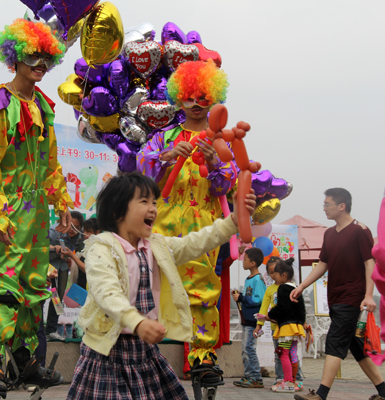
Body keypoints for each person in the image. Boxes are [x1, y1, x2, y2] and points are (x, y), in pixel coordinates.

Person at [66, 172, 256, 399]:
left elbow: (193, 243)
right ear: (117, 211)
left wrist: (233, 222)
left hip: (145, 351)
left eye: (155, 202)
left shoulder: (156, 245)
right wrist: (137, 322)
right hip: (107, 353)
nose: (153, 208)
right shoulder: (102, 247)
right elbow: (106, 293)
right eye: (144, 201)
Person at [0, 18, 72, 397]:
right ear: (14, 57)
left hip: (36, 211)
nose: (40, 64)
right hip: (7, 211)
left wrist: (59, 198)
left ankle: (26, 358)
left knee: (32, 285)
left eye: (46, 58)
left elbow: (50, 161)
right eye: (33, 56)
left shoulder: (44, 107)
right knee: (2, 285)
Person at [137, 59, 235, 378]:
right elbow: (141, 168)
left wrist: (215, 164)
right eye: (190, 97)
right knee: (156, 286)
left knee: (203, 288)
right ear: (180, 98)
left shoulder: (222, 140)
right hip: (163, 223)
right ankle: (147, 353)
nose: (196, 104)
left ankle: (202, 355)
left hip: (204, 224)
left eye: (203, 97)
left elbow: (229, 184)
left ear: (214, 98)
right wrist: (164, 158)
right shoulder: (164, 137)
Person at [291, 188, 385, 400]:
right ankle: (384, 391)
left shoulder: (360, 231)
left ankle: (321, 394)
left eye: (327, 204)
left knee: (333, 344)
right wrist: (302, 286)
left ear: (341, 206)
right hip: (335, 297)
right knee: (357, 348)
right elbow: (323, 264)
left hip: (352, 297)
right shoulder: (329, 233)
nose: (324, 208)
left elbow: (369, 263)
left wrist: (369, 295)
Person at [254, 256, 305, 391]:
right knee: (292, 354)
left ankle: (288, 381)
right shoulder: (296, 287)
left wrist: (269, 316)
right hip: (295, 327)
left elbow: (281, 307)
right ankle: (294, 381)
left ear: (283, 275)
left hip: (284, 328)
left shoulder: (282, 288)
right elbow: (302, 308)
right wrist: (302, 323)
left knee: (282, 353)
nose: (273, 276)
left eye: (275, 274)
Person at [47, 210, 85, 341]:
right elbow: (40, 247)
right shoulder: (53, 230)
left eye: (77, 227)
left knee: (58, 297)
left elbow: (78, 251)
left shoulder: (80, 235)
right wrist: (54, 247)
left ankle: (51, 330)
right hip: (48, 265)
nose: (73, 230)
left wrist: (69, 259)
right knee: (46, 296)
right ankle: (41, 330)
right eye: (71, 226)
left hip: (62, 267)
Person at [232, 247, 266, 389]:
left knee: (249, 348)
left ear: (252, 263)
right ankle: (248, 376)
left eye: (244, 260)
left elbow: (258, 299)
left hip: (253, 320)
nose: (242, 262)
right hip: (247, 319)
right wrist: (241, 296)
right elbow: (250, 297)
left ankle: (256, 377)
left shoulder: (257, 279)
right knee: (245, 348)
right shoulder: (248, 279)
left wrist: (242, 298)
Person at [64, 217, 100, 290]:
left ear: (97, 232)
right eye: (84, 231)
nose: (84, 234)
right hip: (82, 286)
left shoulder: (98, 248)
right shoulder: (87, 245)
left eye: (88, 231)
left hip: (91, 289)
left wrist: (72, 256)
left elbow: (87, 269)